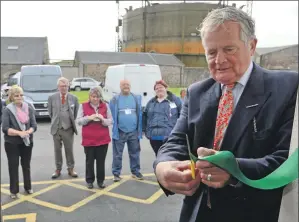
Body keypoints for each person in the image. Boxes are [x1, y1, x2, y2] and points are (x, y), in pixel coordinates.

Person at [153, 7, 298, 222]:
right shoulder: (196, 92)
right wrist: (162, 167)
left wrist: (233, 170)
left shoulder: (287, 87)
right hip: (199, 213)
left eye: (229, 49)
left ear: (251, 46)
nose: (219, 60)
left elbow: (286, 160)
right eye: (211, 52)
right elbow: (175, 142)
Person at [1, 86, 37, 199]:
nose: (19, 97)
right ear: (12, 97)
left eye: (21, 95)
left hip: (27, 142)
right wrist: (19, 133)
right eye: (17, 95)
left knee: (26, 165)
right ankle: (14, 191)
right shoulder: (8, 110)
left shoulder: (29, 107)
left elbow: (34, 126)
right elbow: (5, 129)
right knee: (13, 166)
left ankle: (28, 187)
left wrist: (28, 132)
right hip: (12, 143)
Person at [77, 86, 113, 189]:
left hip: (102, 139)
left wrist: (103, 120)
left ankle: (101, 181)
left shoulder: (105, 106)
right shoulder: (83, 106)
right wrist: (89, 118)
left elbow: (110, 121)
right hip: (89, 140)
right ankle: (89, 180)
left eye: (97, 97)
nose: (95, 99)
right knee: (89, 161)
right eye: (93, 96)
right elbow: (79, 121)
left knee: (101, 162)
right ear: (89, 96)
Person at [109, 79, 144, 182]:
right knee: (117, 154)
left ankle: (135, 171)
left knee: (135, 153)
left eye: (127, 84)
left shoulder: (135, 98)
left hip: (133, 131)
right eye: (123, 85)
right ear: (120, 86)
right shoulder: (115, 99)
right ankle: (116, 173)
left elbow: (139, 113)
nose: (126, 86)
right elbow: (111, 114)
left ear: (130, 86)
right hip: (120, 131)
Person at [48, 77, 79, 179]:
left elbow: (74, 114)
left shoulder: (74, 98)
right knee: (57, 150)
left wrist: (68, 123)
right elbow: (50, 113)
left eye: (65, 86)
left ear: (68, 86)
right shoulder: (52, 97)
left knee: (69, 149)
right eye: (62, 86)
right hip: (56, 128)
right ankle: (58, 169)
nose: (64, 88)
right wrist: (56, 121)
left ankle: (71, 169)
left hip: (68, 128)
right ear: (58, 87)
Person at [143, 80, 182, 156]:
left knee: (169, 157)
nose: (159, 89)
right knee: (158, 156)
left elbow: (182, 115)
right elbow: (144, 116)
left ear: (166, 88)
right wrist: (145, 131)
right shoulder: (151, 102)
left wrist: (179, 132)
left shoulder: (175, 100)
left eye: (161, 87)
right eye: (156, 88)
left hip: (170, 137)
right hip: (154, 137)